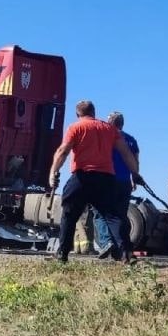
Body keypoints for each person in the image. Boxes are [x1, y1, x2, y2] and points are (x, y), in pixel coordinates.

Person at [47, 100, 140, 264]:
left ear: (78, 114)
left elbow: (63, 151)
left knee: (69, 214)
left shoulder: (75, 127)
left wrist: (53, 171)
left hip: (82, 177)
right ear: (94, 112)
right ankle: (126, 254)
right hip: (105, 179)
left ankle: (62, 254)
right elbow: (126, 153)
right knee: (113, 217)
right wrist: (135, 173)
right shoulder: (109, 129)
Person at [93, 112, 143, 259]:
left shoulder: (106, 136)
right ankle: (120, 251)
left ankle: (106, 242)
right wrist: (134, 178)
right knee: (120, 216)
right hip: (124, 182)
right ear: (122, 123)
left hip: (107, 179)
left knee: (100, 212)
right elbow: (135, 161)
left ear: (109, 123)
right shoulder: (131, 140)